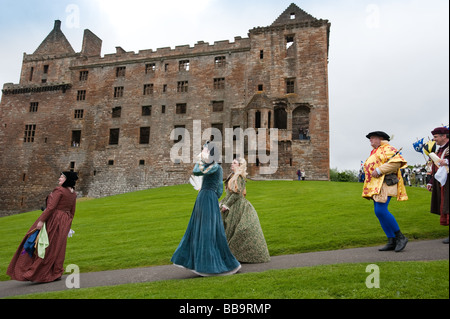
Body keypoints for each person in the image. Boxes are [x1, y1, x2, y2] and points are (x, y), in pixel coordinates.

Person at [171, 142, 241, 276]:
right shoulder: (215, 167)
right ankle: (198, 262)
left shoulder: (214, 166)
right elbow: (219, 188)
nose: (202, 151)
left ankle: (209, 265)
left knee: (208, 230)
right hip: (206, 198)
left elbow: (198, 171)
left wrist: (210, 196)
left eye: (205, 149)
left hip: (207, 197)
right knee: (198, 228)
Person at [7, 171, 78, 282]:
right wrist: (68, 224)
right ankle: (56, 272)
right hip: (64, 220)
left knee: (43, 245)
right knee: (58, 246)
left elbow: (51, 208)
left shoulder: (59, 191)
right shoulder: (73, 193)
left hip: (53, 219)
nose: (59, 178)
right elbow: (72, 211)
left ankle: (36, 273)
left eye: (62, 177)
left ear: (67, 179)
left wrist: (41, 221)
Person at [362, 131, 409, 252]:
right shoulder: (376, 151)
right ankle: (391, 240)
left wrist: (379, 170)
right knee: (379, 212)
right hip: (376, 185)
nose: (370, 140)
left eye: (373, 138)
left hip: (385, 184)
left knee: (381, 210)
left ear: (381, 138)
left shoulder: (388, 148)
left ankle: (400, 237)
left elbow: (397, 163)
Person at [220, 158, 270, 263]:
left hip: (238, 207)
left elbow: (237, 194)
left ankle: (235, 255)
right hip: (232, 206)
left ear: (239, 165)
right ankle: (227, 254)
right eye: (232, 162)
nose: (231, 164)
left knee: (239, 230)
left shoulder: (239, 178)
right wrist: (222, 202)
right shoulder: (233, 177)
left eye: (234, 163)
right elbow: (229, 194)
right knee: (228, 230)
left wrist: (227, 205)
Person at [426, 127, 449, 244]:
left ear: (444, 136)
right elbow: (436, 167)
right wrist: (431, 181)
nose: (434, 140)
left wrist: (448, 162)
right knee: (446, 205)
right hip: (444, 183)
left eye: (436, 137)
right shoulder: (440, 150)